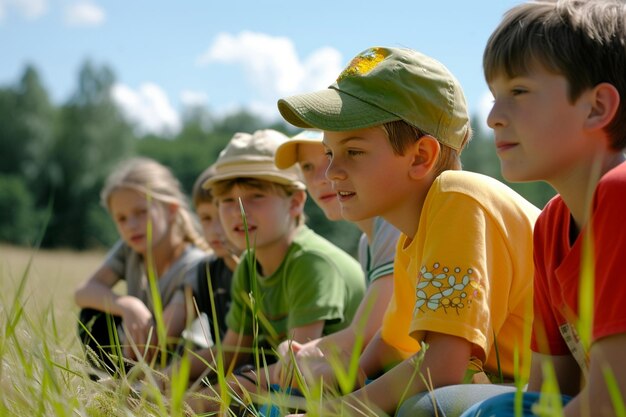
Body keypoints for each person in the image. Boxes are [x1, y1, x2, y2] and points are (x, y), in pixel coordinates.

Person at [276, 46, 540, 416]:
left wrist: (335, 412)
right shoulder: (411, 237)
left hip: (577, 391)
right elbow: (390, 343)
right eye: (330, 153)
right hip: (518, 386)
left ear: (420, 157)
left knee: (430, 406)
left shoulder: (458, 199)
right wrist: (334, 378)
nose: (332, 172)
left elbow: (442, 366)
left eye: (353, 151)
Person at [459, 1, 626, 416]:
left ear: (597, 107)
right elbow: (548, 393)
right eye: (495, 96)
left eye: (518, 91)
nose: (494, 117)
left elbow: (611, 401)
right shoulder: (552, 224)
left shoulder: (621, 196)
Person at [175, 129, 365, 411]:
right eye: (227, 201)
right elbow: (231, 353)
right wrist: (168, 375)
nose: (240, 210)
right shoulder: (248, 266)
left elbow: (295, 370)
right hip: (283, 381)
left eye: (256, 196)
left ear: (295, 202)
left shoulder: (311, 263)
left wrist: (206, 400)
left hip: (341, 393)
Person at [223, 129, 399, 404]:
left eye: (332, 157)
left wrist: (303, 353)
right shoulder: (368, 243)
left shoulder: (392, 229)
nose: (323, 177)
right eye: (307, 167)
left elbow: (367, 337)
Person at [74, 157, 208, 374]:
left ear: (171, 210)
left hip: (185, 357)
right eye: (122, 218)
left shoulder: (195, 264)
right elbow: (83, 292)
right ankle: (113, 390)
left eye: (141, 212)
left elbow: (163, 340)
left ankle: (132, 391)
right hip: (140, 350)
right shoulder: (130, 249)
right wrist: (127, 304)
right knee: (93, 316)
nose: (131, 226)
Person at [162, 166, 240, 352]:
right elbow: (164, 334)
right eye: (206, 218)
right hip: (222, 366)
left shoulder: (263, 269)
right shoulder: (204, 271)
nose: (215, 230)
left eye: (223, 216)